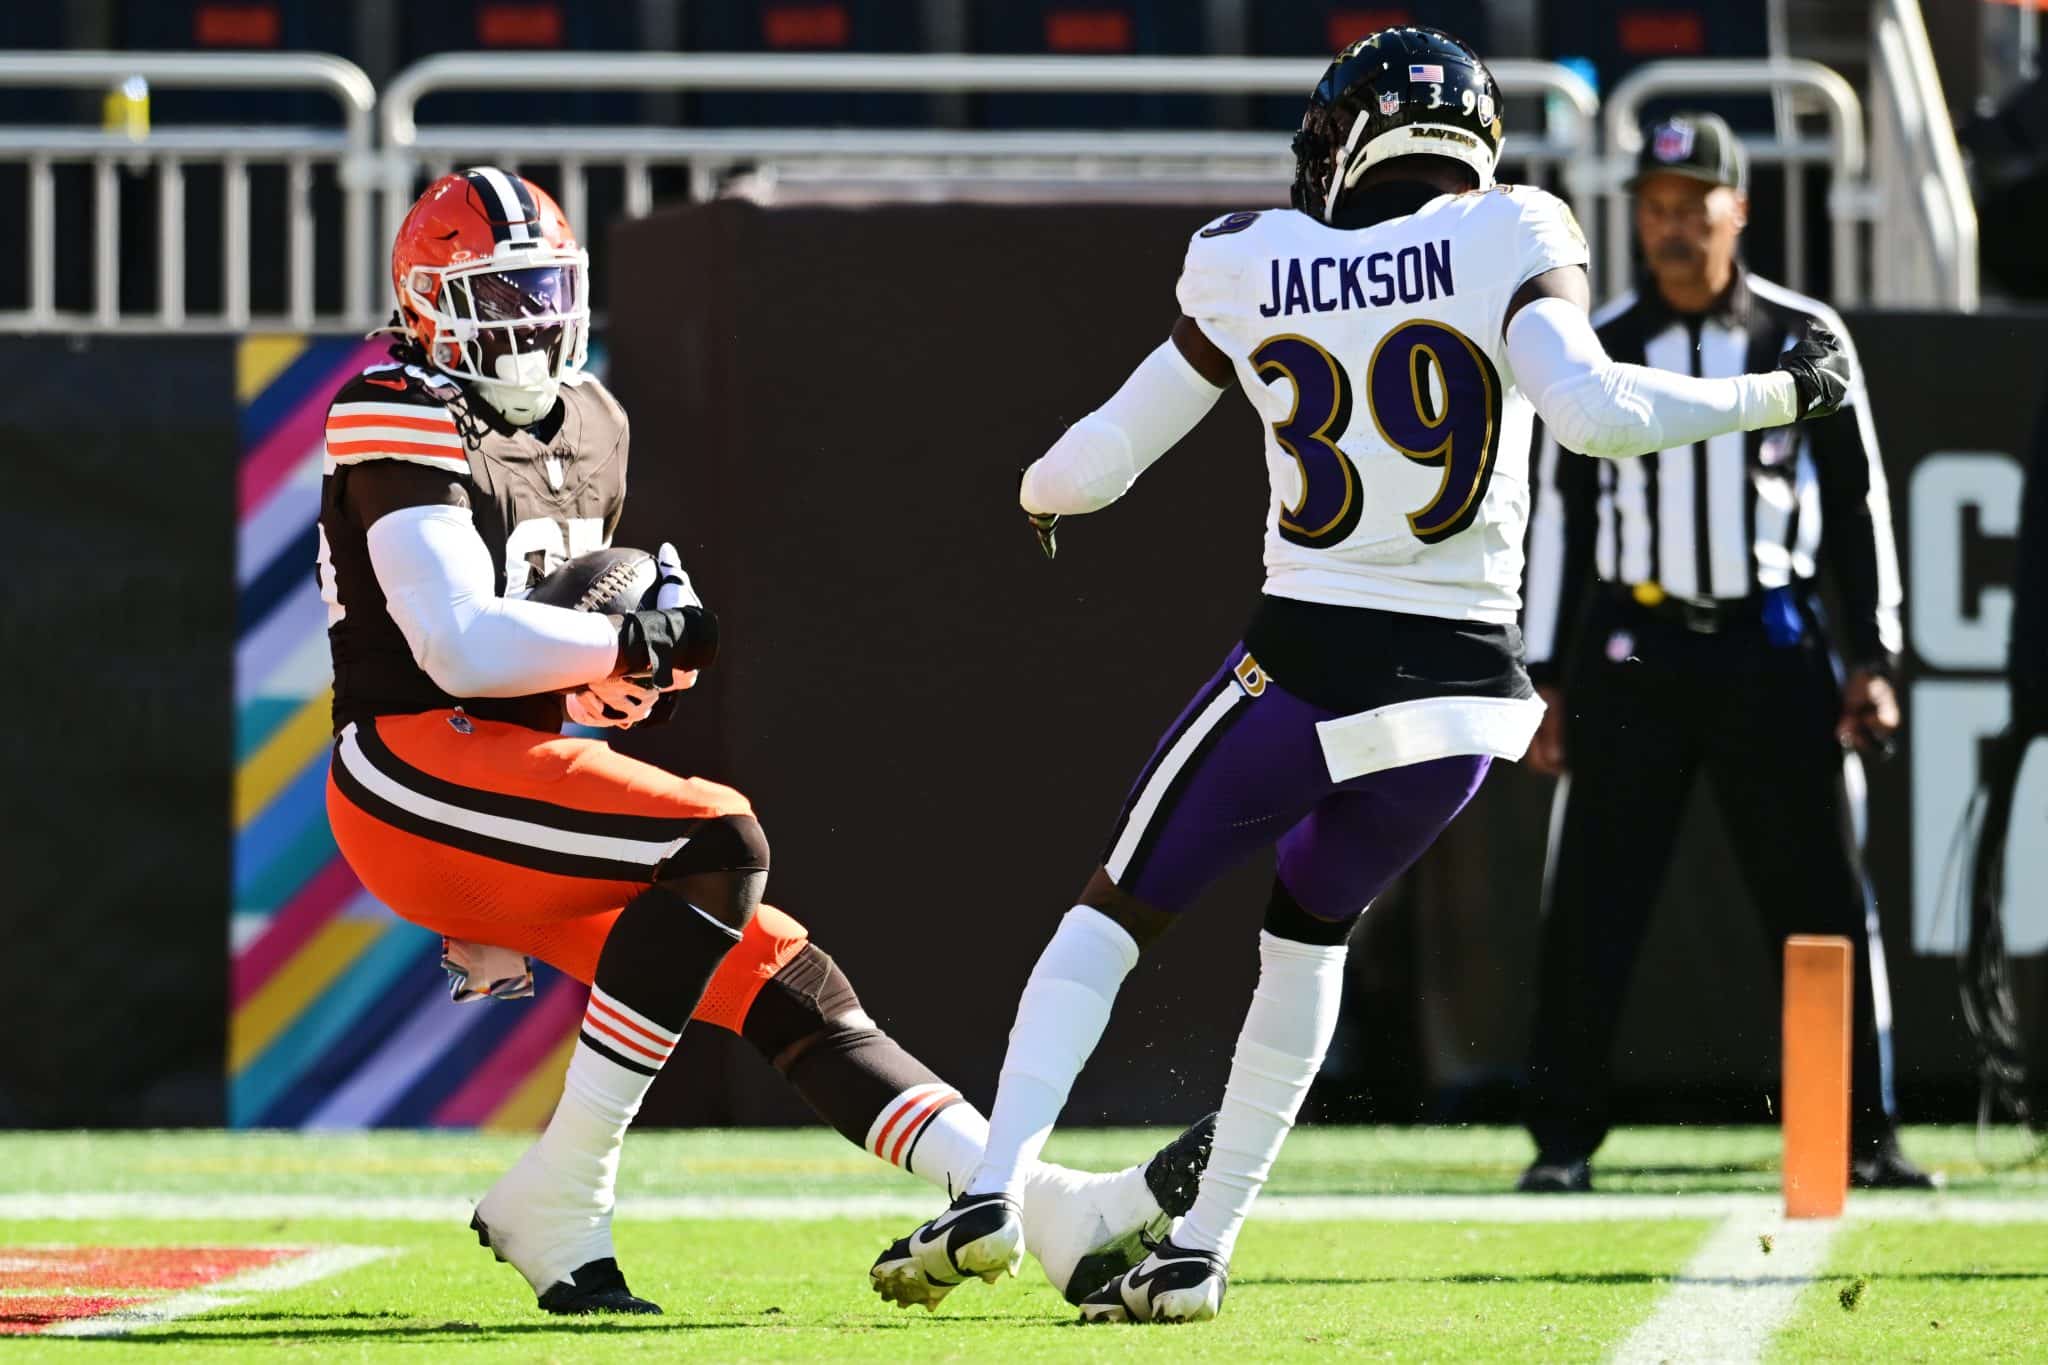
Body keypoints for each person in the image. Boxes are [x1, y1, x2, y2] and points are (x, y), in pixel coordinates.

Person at [878, 29, 1852, 1325]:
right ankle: (1202, 1243)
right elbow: (1600, 413)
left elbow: (1094, 465)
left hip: (1307, 664)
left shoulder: (1248, 258)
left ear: (1344, 140)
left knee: (1112, 912)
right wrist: (1779, 399)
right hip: (1462, 704)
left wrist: (1032, 493)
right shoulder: (1512, 228)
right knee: (1308, 936)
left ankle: (995, 1186)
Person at [318, 167, 1212, 1316]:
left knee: (791, 981)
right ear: (426, 304)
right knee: (721, 836)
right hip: (407, 766)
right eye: (496, 294)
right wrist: (620, 648)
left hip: (516, 776)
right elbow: (457, 646)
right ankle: (565, 1185)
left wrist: (631, 673)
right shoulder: (392, 402)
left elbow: (552, 664)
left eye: (542, 288)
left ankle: (1037, 1204)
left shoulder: (594, 418)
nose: (528, 320)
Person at [1516, 113, 1930, 1191]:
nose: (1670, 232)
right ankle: (1560, 1146)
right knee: (1591, 898)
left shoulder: (1804, 336)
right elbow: (1555, 515)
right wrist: (1544, 676)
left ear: (1735, 210)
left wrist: (1872, 656)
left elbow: (1855, 504)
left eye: (1690, 209)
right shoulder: (1590, 339)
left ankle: (1855, 1140)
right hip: (1632, 647)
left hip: (1769, 641)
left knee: (1822, 899)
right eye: (1651, 211)